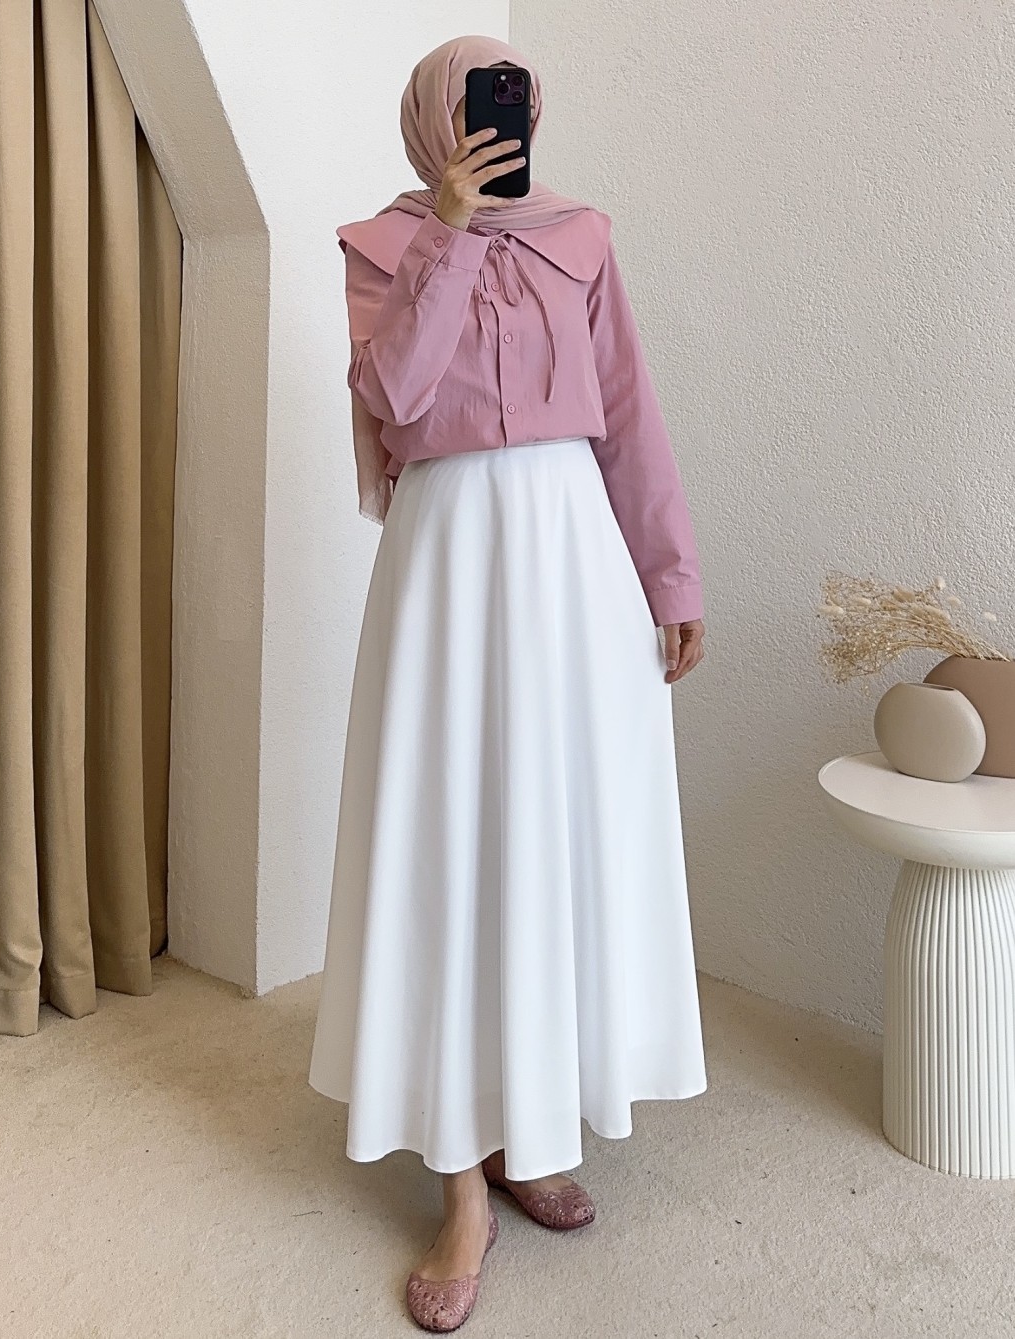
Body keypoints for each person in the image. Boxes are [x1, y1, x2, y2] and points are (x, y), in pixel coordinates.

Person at [308, 33, 708, 1333]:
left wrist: (670, 575)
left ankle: (531, 1134)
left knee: (550, 840)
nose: (501, 121)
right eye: (480, 105)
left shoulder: (582, 238)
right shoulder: (382, 246)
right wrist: (449, 228)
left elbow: (628, 414)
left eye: (516, 105)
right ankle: (461, 1188)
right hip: (450, 566)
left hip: (573, 563)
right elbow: (396, 398)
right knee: (454, 846)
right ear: (435, 118)